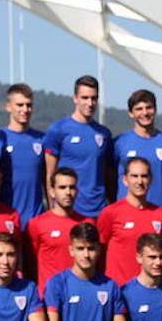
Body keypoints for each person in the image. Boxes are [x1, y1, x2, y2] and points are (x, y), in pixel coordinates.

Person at [43, 75, 113, 219]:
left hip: (99, 211)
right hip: (70, 210)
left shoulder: (104, 134)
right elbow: (50, 175)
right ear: (75, 98)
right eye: (85, 98)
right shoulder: (58, 130)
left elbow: (107, 175)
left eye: (94, 98)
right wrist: (53, 209)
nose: (90, 103)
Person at [97, 157, 162, 285]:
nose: (139, 181)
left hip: (151, 291)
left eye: (144, 176)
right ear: (125, 180)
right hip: (119, 290)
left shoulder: (161, 214)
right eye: (134, 176)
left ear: (151, 179)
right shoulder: (110, 213)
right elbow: (98, 252)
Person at [113, 89, 162, 210]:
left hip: (157, 219)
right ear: (131, 113)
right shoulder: (118, 143)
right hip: (125, 216)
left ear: (155, 109)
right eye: (139, 109)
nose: (145, 112)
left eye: (149, 107)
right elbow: (109, 182)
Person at [24, 167, 92, 294]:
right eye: (62, 187)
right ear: (52, 192)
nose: (68, 192)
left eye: (71, 187)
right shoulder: (37, 224)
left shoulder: (87, 223)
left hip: (80, 293)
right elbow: (30, 262)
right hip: (49, 296)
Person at [0, 83, 47, 225]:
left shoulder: (42, 140)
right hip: (8, 219)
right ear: (8, 107)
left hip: (36, 220)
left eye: (28, 105)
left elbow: (48, 180)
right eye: (20, 105)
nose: (25, 110)